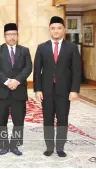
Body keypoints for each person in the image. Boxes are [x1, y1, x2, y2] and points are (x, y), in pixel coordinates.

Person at [33, 16, 81, 157]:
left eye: (59, 28)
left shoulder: (71, 47)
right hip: (47, 90)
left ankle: (60, 147)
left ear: (63, 30)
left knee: (62, 118)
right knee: (47, 118)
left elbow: (76, 70)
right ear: (49, 30)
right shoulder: (42, 47)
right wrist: (38, 89)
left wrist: (74, 90)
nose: (56, 31)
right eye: (53, 28)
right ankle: (49, 146)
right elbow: (37, 70)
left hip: (65, 91)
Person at [0, 23, 32, 156]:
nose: (12, 37)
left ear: (18, 36)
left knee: (18, 120)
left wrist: (17, 81)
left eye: (14, 34)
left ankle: (14, 145)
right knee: (1, 120)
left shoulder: (24, 50)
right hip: (1, 91)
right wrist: (8, 81)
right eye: (9, 34)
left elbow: (28, 68)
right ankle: (3, 146)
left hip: (18, 91)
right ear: (4, 36)